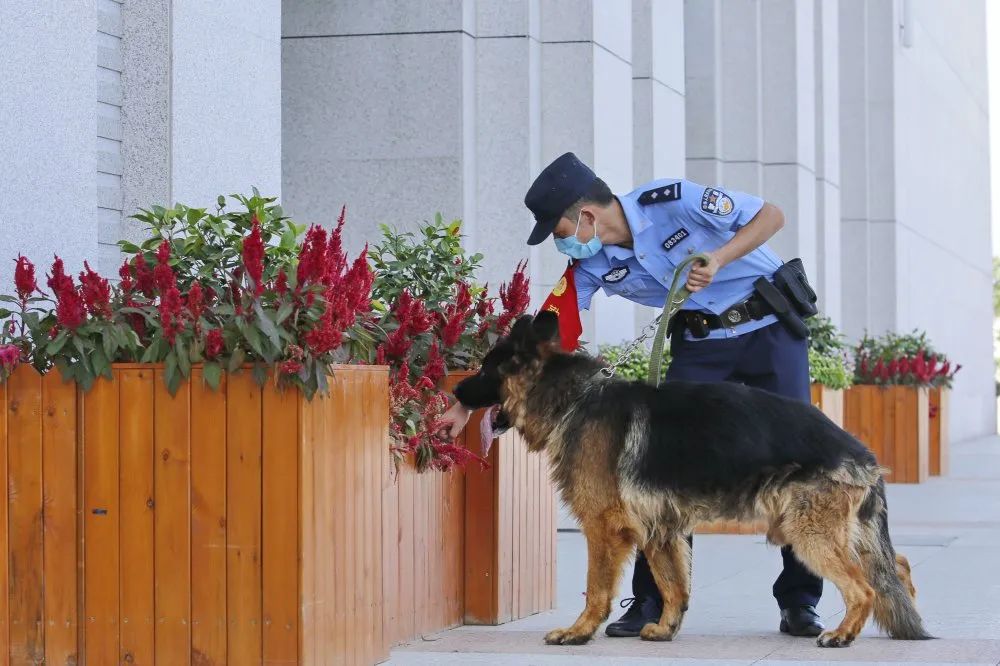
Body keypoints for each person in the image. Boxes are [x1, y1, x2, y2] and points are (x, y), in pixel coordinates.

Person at [439, 152, 825, 638]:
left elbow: (772, 215)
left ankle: (800, 600)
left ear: (585, 216)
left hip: (768, 331)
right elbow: (537, 343)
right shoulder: (590, 264)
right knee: (664, 467)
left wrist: (719, 258)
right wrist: (467, 400)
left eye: (558, 231)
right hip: (701, 344)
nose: (560, 243)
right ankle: (651, 601)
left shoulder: (675, 201)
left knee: (797, 456)